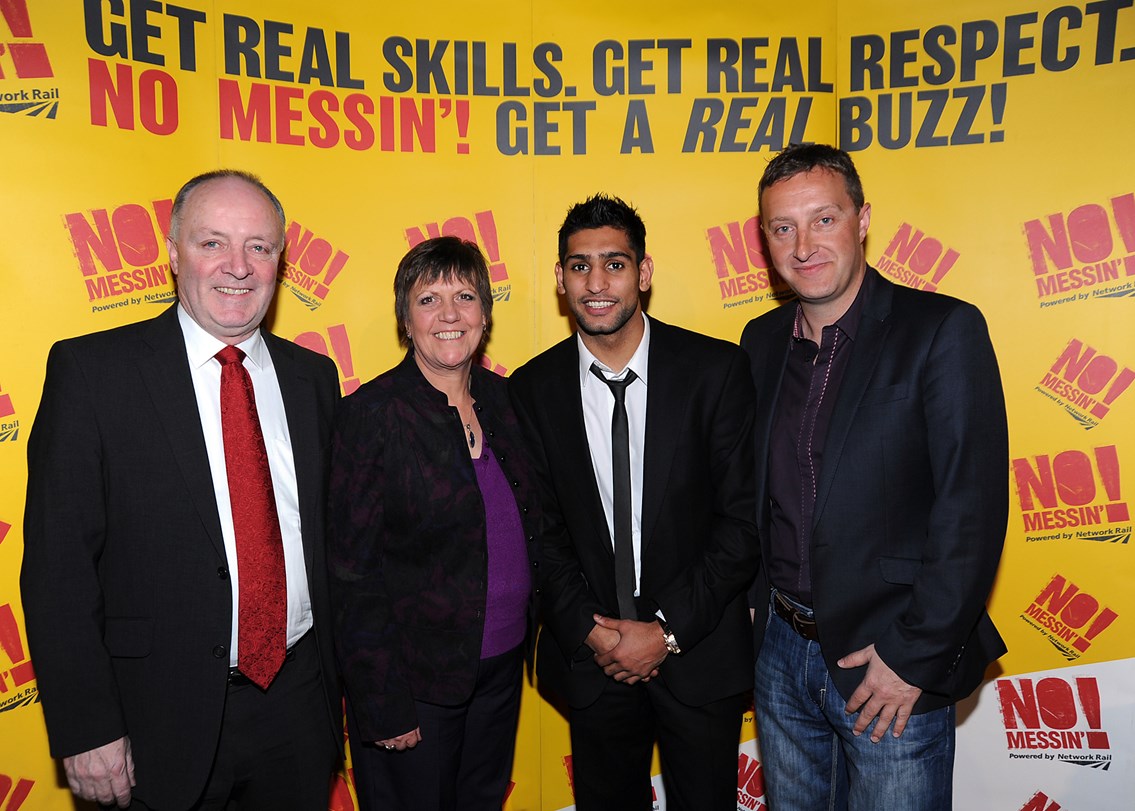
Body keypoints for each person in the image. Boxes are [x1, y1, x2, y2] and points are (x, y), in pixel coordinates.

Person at [21, 170, 342, 809]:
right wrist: (87, 727)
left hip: (299, 707)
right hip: (152, 721)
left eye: (259, 246)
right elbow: (59, 569)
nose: (239, 266)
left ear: (281, 259)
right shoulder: (92, 373)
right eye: (212, 243)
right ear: (172, 253)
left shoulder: (314, 378)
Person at [741, 143, 1009, 810]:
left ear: (862, 219)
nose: (803, 245)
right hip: (778, 653)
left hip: (885, 661)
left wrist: (912, 658)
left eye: (823, 219)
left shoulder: (941, 330)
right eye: (782, 227)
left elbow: (968, 512)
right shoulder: (758, 341)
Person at [510, 194, 758, 810]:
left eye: (614, 264)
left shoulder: (716, 371)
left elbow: (742, 524)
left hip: (698, 656)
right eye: (579, 266)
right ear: (561, 280)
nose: (596, 283)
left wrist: (664, 632)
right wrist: (599, 636)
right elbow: (537, 534)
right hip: (593, 665)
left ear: (643, 273)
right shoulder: (530, 390)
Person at [328, 236, 540, 811]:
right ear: (405, 318)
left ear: (485, 314)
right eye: (429, 299)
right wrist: (383, 701)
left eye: (465, 296)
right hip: (414, 686)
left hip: (501, 668)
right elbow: (351, 574)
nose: (449, 315)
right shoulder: (370, 415)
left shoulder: (508, 401)